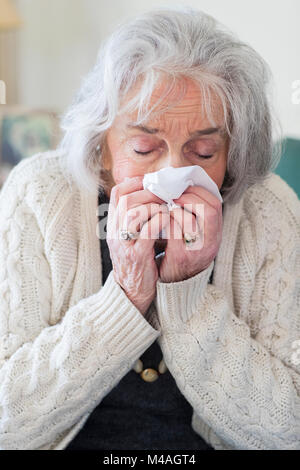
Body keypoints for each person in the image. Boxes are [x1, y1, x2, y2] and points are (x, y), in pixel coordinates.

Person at [0, 6, 299, 451]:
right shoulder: (40, 196)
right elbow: (9, 422)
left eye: (202, 151)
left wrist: (188, 294)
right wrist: (126, 294)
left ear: (233, 151)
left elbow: (286, 427)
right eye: (143, 147)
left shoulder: (267, 208)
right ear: (101, 145)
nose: (173, 174)